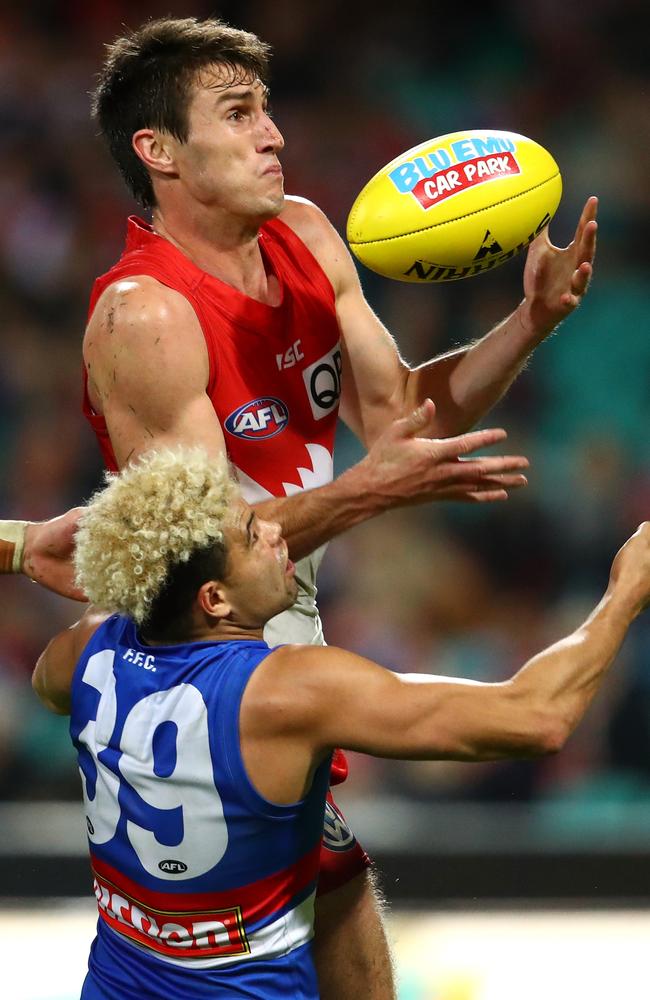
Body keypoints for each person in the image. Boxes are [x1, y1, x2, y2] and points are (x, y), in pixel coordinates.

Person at [2, 15, 598, 998]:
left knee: (326, 879)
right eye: (236, 114)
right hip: (199, 646)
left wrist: (527, 318)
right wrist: (372, 488)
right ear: (160, 152)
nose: (272, 132)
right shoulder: (145, 316)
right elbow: (198, 556)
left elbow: (402, 410)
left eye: (266, 108)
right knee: (253, 920)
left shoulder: (306, 234)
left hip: (277, 608)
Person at [32, 447, 650, 999]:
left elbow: (46, 685)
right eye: (252, 532)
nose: (277, 531)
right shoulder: (288, 691)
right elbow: (535, 717)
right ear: (214, 599)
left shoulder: (86, 649)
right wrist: (624, 593)